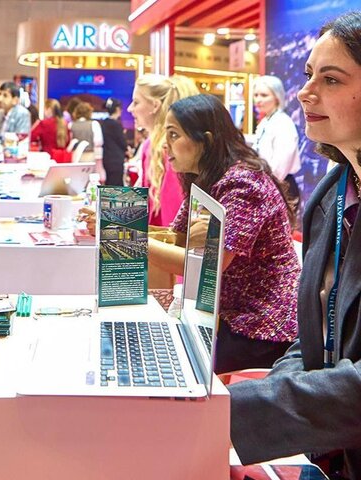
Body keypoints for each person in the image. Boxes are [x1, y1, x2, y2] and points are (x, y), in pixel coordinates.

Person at [229, 12, 361, 478]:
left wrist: (233, 410)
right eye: (308, 75)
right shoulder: (330, 195)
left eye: (331, 79)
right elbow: (315, 341)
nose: (306, 92)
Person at [147, 94, 300, 374]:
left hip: (263, 324)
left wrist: (127, 239)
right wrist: (118, 227)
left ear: (205, 141)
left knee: (169, 360)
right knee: (156, 339)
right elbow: (176, 238)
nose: (164, 144)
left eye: (174, 134)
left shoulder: (243, 185)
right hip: (229, 313)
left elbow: (207, 267)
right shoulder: (207, 178)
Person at [128, 74, 199, 226]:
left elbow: (173, 219)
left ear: (155, 106)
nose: (130, 108)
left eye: (136, 102)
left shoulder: (167, 149)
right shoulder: (151, 145)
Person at [252, 75, 302, 213]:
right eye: (256, 95)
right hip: (267, 184)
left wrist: (265, 187)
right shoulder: (265, 121)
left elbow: (280, 167)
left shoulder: (283, 123)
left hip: (281, 186)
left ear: (277, 97)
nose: (258, 99)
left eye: (264, 95)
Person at [70, 102, 105, 181]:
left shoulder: (71, 125)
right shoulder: (94, 124)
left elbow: (70, 142)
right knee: (89, 179)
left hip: (75, 156)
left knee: (77, 179)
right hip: (90, 156)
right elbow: (98, 141)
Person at [100, 97, 127, 186]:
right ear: (117, 109)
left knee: (109, 185)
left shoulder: (104, 123)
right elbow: (122, 143)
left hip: (107, 159)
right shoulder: (116, 125)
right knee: (117, 187)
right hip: (116, 160)